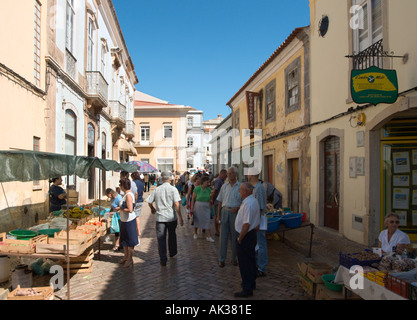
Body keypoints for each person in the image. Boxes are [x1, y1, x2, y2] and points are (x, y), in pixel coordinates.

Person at [146, 171, 184, 266]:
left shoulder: (157, 189)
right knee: (172, 235)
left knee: (161, 239)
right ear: (170, 179)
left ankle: (163, 258)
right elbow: (176, 204)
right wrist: (180, 216)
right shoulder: (173, 189)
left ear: (162, 179)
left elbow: (149, 201)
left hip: (160, 218)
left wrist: (152, 208)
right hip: (171, 217)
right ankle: (172, 252)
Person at [234, 182, 260, 298]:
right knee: (250, 260)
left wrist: (240, 238)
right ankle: (251, 282)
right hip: (250, 234)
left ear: (247, 191)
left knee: (245, 263)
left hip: (246, 235)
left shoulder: (249, 203)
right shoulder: (252, 201)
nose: (239, 191)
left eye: (241, 189)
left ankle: (247, 288)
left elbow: (246, 224)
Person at [216, 166, 242, 268]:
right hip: (225, 211)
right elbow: (220, 201)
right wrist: (218, 215)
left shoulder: (240, 186)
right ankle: (221, 259)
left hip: (235, 213)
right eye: (228, 173)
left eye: (231, 173)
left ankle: (234, 258)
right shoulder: (224, 186)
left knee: (235, 236)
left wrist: (238, 207)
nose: (229, 175)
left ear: (235, 174)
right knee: (223, 237)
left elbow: (244, 202)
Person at [247, 168, 268, 277]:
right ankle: (257, 264)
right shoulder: (255, 188)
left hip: (258, 220)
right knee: (257, 244)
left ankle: (262, 267)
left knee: (261, 244)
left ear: (252, 175)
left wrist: (257, 222)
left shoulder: (259, 188)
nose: (247, 175)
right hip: (255, 219)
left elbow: (260, 207)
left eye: (248, 173)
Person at [115, 178, 138, 268]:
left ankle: (129, 259)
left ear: (123, 186)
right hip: (124, 220)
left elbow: (130, 209)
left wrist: (120, 209)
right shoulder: (125, 194)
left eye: (120, 185)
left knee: (130, 241)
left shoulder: (128, 195)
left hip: (129, 220)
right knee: (124, 239)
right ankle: (125, 257)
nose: (120, 187)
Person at [191, 175, 215, 242]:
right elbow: (193, 199)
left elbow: (210, 199)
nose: (208, 183)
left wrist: (211, 200)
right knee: (197, 219)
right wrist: (192, 207)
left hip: (206, 206)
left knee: (207, 220)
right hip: (198, 205)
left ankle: (208, 236)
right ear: (203, 182)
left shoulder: (208, 189)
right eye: (207, 182)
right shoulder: (197, 189)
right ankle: (195, 233)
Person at [211, 169, 227, 236]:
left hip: (221, 201)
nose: (226, 177)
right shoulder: (218, 180)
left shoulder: (221, 181)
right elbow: (215, 191)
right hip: (218, 201)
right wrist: (212, 199)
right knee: (217, 215)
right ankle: (217, 230)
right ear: (222, 174)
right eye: (225, 175)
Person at [131, 172, 144, 242]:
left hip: (136, 201)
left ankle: (137, 231)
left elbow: (135, 193)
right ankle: (138, 231)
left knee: (135, 217)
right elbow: (143, 192)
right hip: (141, 200)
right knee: (137, 216)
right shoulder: (141, 183)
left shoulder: (133, 183)